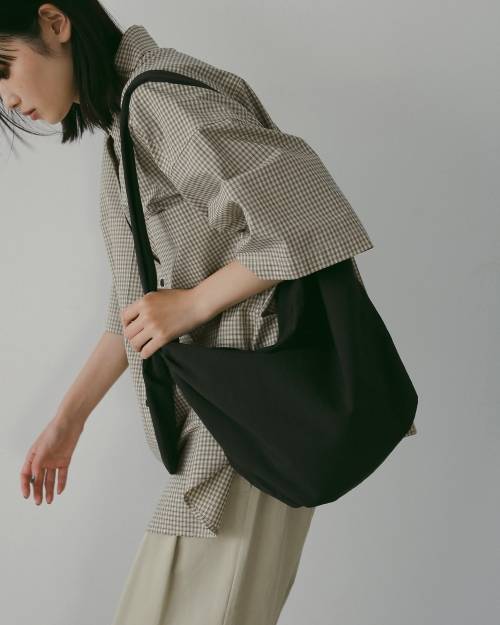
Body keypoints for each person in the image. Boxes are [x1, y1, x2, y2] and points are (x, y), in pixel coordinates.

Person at [2, 3, 417, 625]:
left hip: (249, 423)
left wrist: (193, 304)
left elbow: (308, 217)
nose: (8, 100)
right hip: (238, 424)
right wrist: (68, 421)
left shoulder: (157, 101)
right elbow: (136, 307)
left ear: (55, 23)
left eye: (3, 68)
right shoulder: (126, 125)